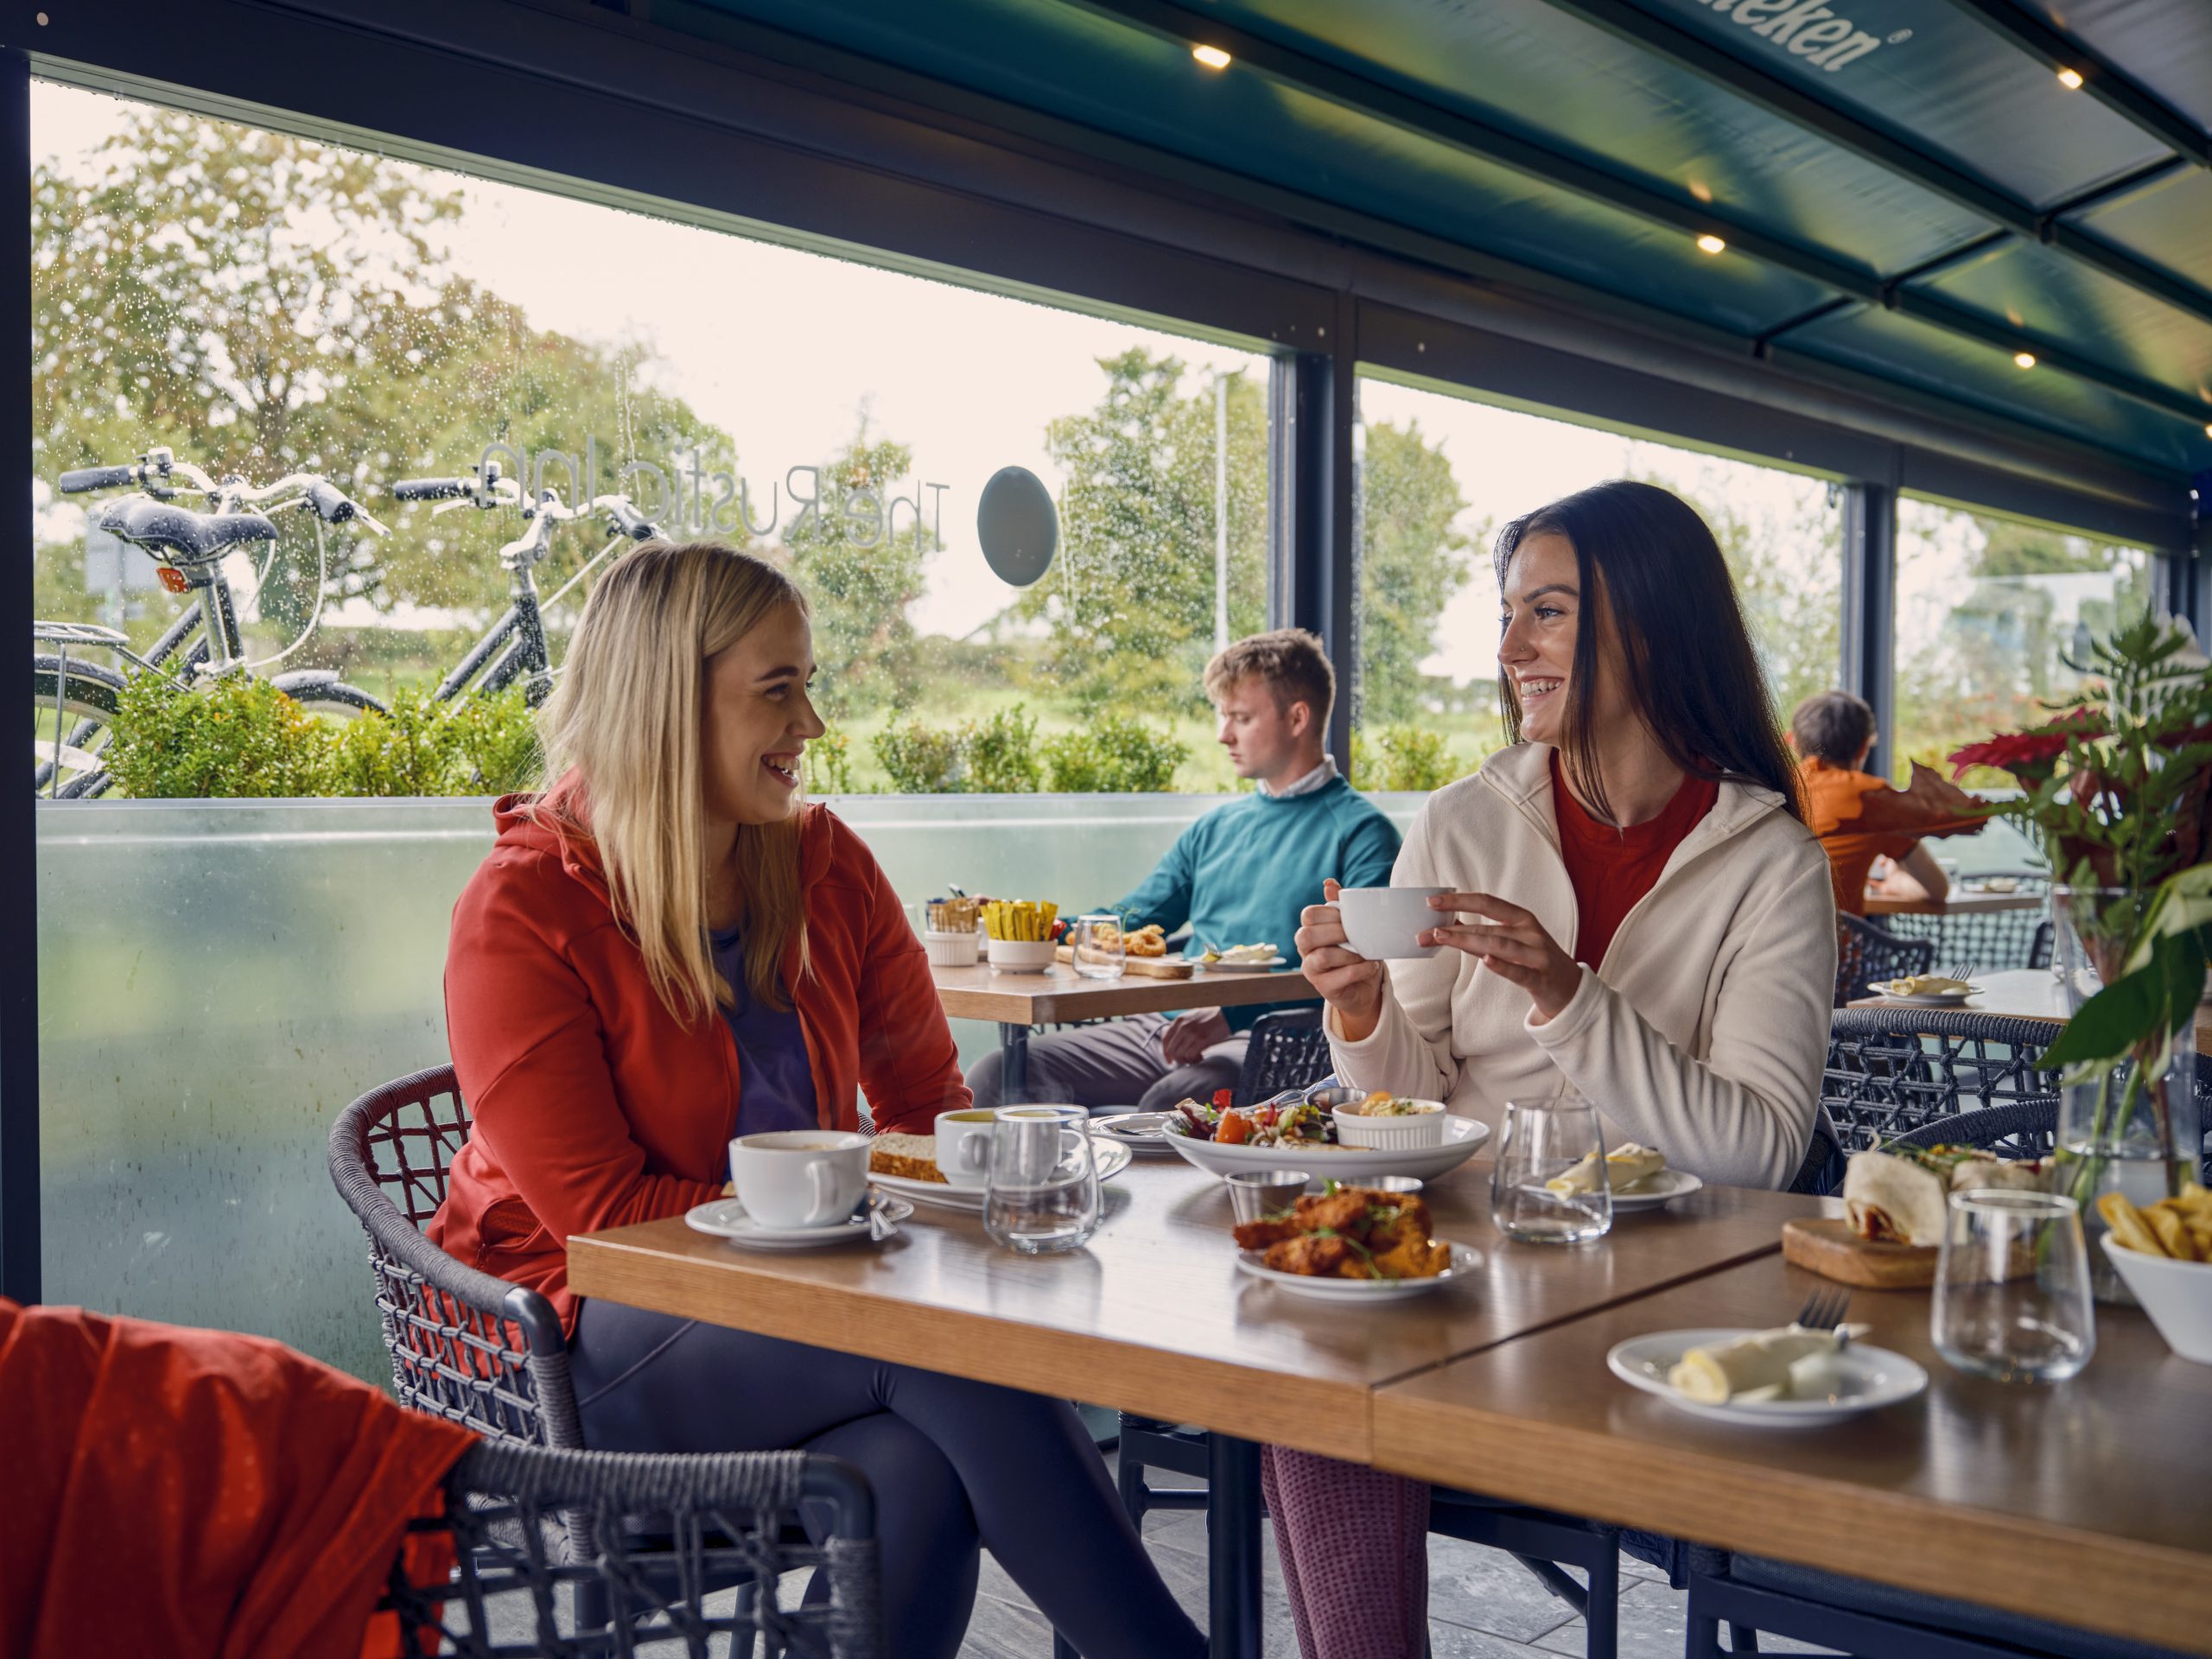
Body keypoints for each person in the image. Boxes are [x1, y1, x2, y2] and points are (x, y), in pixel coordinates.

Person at [431, 540, 1204, 1659]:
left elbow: (928, 1110)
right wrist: (869, 1242)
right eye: (777, 689)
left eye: (809, 684)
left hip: (800, 1321)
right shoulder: (525, 910)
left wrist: (986, 1194)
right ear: (664, 701)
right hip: (571, 1344)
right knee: (940, 1342)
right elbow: (604, 1220)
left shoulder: (823, 866)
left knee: (912, 1474)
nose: (814, 725)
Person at [1268, 480, 1838, 1659]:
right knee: (1312, 1375)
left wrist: (1566, 993)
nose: (1510, 647)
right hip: (1471, 1269)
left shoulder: (1772, 862)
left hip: (1674, 1286)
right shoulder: (1464, 820)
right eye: (1509, 612)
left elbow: (1760, 1151)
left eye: (1550, 613)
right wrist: (1366, 1013)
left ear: (1651, 623)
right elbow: (1408, 1103)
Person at [966, 627, 1402, 1111]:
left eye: (1241, 717)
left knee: (1173, 1103)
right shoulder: (1215, 827)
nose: (1223, 735)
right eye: (1224, 717)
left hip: (1277, 1042)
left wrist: (1229, 1016)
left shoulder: (1363, 832)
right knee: (999, 1074)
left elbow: (1361, 969)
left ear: (1297, 717)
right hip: (1162, 1028)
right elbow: (1128, 922)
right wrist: (1019, 926)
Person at [1790, 688, 1964, 917]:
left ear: (1793, 742)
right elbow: (1937, 889)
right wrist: (1894, 881)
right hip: (1837, 951)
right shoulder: (1873, 797)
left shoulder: (1777, 786)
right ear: (1863, 747)